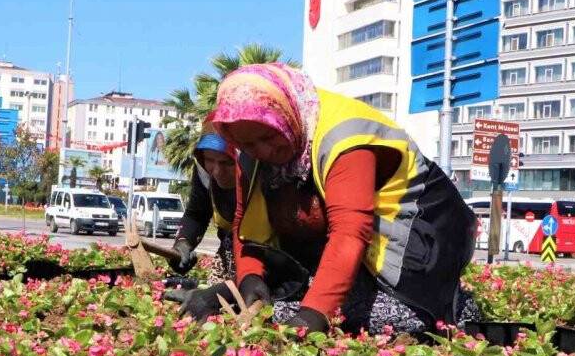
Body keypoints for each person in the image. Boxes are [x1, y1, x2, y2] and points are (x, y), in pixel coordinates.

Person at [191, 63, 476, 335]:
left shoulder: (345, 138)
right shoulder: (249, 151)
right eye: (248, 144)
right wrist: (250, 278)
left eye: (268, 136)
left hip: (417, 250)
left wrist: (313, 315)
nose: (263, 151)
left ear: (285, 116)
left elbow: (349, 232)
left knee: (398, 317)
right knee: (279, 307)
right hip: (351, 261)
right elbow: (248, 226)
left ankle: (456, 307)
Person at [168, 130, 237, 279]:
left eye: (228, 162)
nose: (218, 171)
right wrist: (184, 242)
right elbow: (197, 214)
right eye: (210, 160)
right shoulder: (203, 171)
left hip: (266, 267)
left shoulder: (262, 175)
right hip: (229, 264)